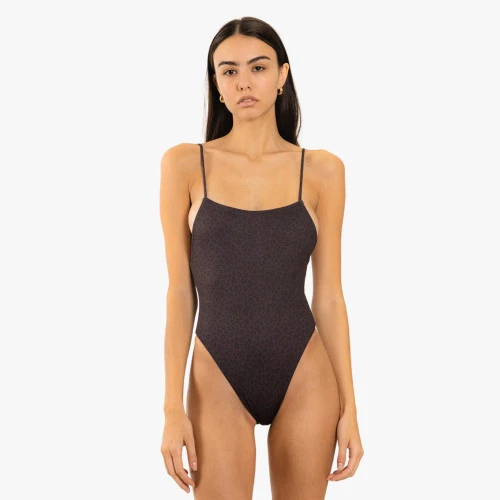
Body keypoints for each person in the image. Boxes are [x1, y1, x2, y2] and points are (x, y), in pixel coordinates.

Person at [159, 16, 363, 499]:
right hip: (216, 374)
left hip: (305, 372)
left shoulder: (323, 171)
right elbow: (180, 292)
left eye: (258, 67)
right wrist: (171, 408)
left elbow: (330, 296)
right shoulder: (184, 165)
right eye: (228, 71)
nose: (244, 82)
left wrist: (351, 408)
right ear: (216, 84)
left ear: (282, 76)